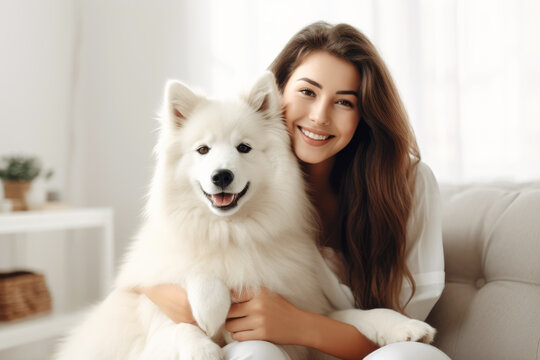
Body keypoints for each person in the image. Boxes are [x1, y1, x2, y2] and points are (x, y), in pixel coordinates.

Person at [141, 21, 449, 360]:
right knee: (256, 351)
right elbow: (156, 267)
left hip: (372, 352)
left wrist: (297, 324)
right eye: (307, 92)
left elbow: (409, 339)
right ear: (278, 94)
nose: (319, 116)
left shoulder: (406, 181)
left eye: (344, 102)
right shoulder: (253, 174)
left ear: (365, 112)